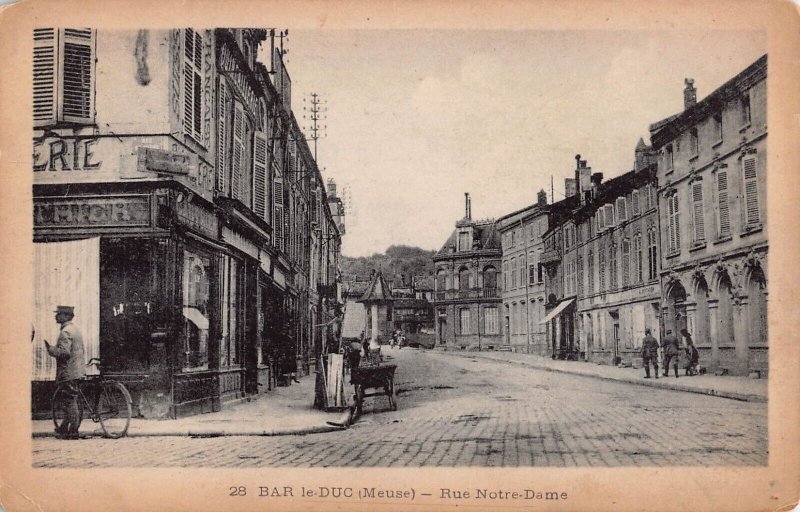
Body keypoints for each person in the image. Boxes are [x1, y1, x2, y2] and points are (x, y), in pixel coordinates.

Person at [44, 305, 86, 440]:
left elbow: (64, 353)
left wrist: (51, 350)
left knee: (69, 401)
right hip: (77, 371)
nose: (56, 316)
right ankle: (63, 428)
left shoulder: (65, 332)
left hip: (68, 373)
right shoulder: (75, 330)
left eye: (59, 314)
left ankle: (73, 431)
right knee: (70, 400)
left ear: (67, 316)